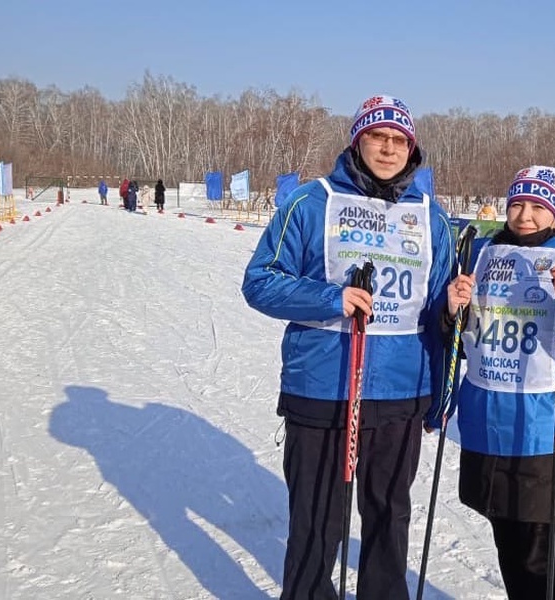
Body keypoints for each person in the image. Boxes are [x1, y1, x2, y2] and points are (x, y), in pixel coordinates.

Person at [241, 94, 453, 600]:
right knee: (318, 517)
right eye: (377, 137)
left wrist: (440, 392)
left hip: (402, 388)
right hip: (325, 385)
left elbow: (443, 311)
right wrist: (332, 299)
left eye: (398, 140)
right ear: (358, 141)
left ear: (411, 148)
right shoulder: (311, 202)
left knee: (389, 516)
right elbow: (260, 282)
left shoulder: (431, 216)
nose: (388, 148)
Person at [444, 165, 555, 599]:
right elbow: (460, 344)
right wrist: (453, 311)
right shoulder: (482, 252)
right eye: (518, 203)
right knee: (507, 537)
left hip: (548, 425)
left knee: (539, 551)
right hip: (488, 418)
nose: (524, 214)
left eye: (538, 206)